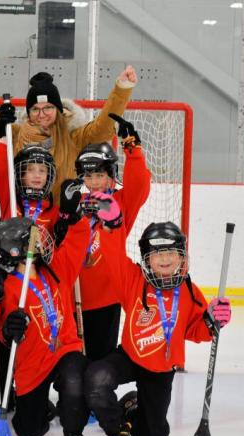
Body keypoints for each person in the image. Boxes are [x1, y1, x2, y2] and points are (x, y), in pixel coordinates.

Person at [84, 221, 232, 436]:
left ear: (182, 257)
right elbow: (112, 255)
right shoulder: (132, 280)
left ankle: (132, 407)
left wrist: (212, 321)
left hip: (161, 368)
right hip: (130, 357)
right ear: (147, 259)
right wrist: (111, 227)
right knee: (96, 378)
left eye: (171, 252)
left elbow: (197, 331)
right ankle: (117, 431)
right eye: (157, 253)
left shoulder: (190, 292)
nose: (165, 259)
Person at [0, 207, 114, 436]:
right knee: (29, 431)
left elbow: (78, 239)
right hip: (32, 365)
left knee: (75, 378)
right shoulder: (7, 288)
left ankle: (73, 434)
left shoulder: (56, 270)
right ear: (17, 250)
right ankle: (43, 408)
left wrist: (73, 216)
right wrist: (9, 330)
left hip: (64, 350)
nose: (43, 243)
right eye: (35, 240)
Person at [0, 51, 137, 201]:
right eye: (35, 109)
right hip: (23, 215)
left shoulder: (74, 136)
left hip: (61, 219)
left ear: (59, 109)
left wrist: (122, 89)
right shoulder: (16, 133)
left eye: (48, 108)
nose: (41, 114)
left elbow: (102, 128)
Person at [71, 115, 151, 361]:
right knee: (75, 361)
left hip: (107, 297)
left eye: (100, 175)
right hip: (74, 296)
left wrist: (132, 149)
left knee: (99, 361)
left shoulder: (120, 202)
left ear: (111, 174)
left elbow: (140, 185)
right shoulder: (76, 204)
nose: (94, 182)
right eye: (89, 176)